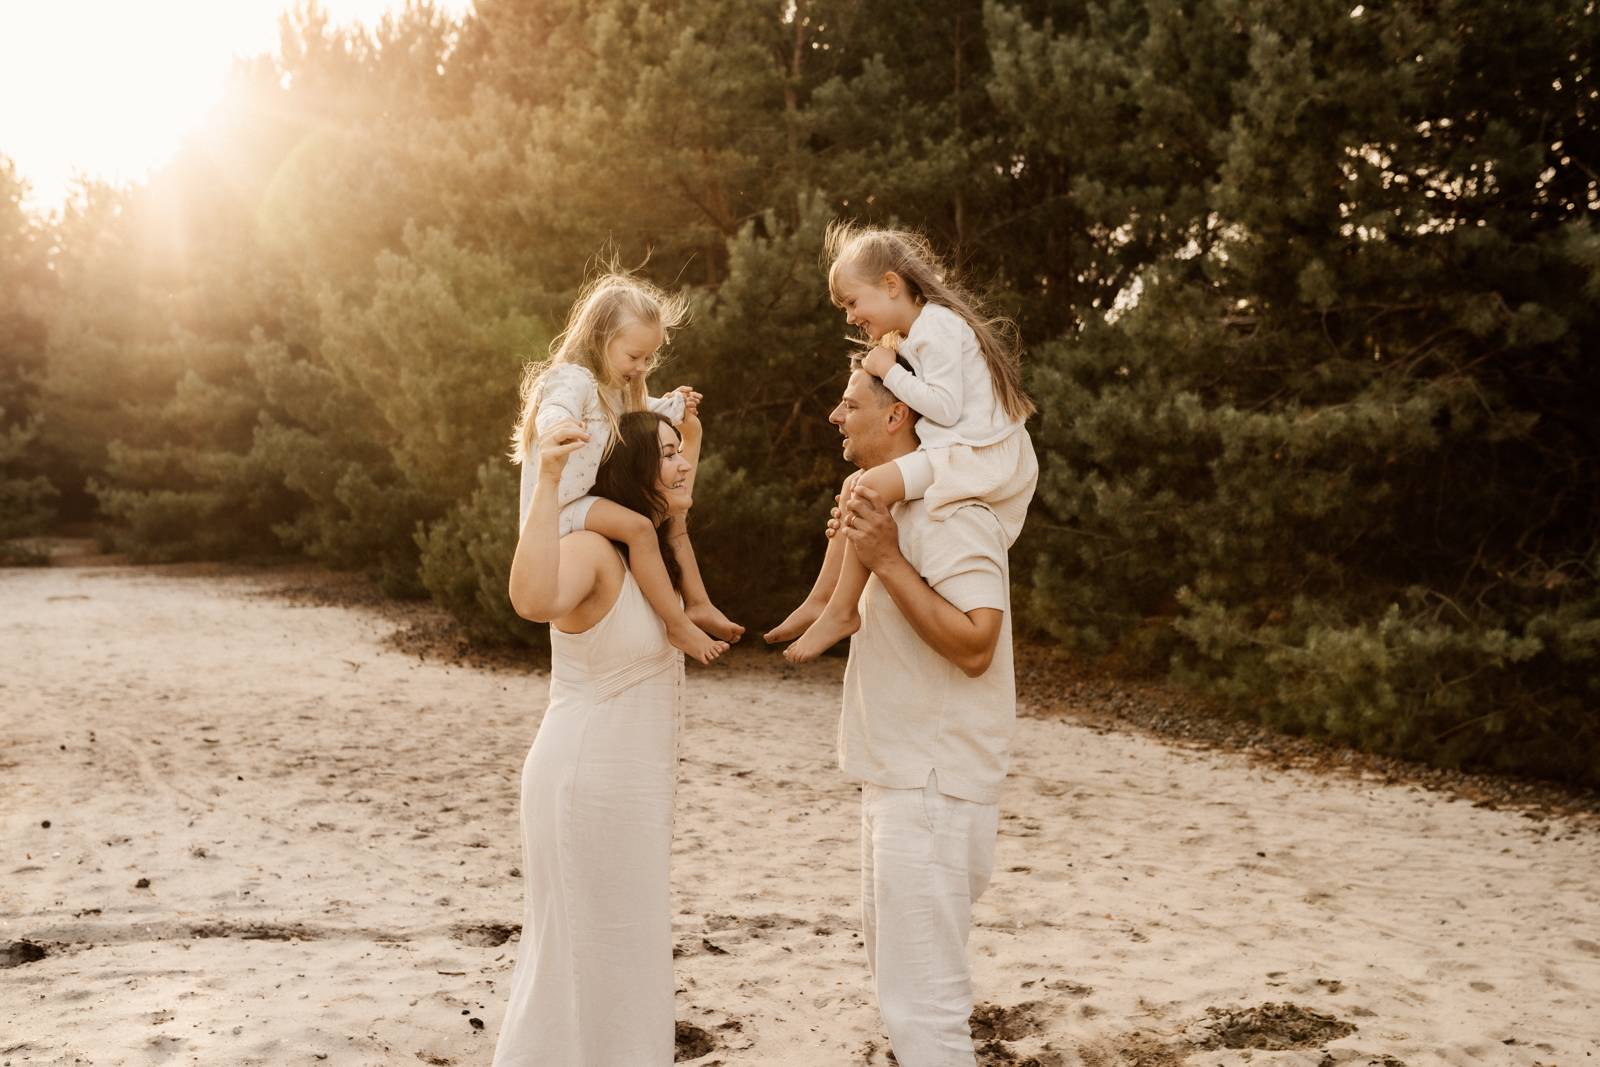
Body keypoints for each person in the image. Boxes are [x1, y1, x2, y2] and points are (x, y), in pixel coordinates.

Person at [823, 355, 1019, 1067]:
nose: (836, 416)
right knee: (902, 999)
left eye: (850, 404)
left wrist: (888, 560)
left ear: (897, 413)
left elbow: (977, 644)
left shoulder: (954, 513)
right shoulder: (894, 510)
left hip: (933, 790)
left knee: (927, 1012)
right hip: (896, 779)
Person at [494, 409, 704, 1066]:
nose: (683, 463)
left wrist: (687, 435)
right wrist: (547, 481)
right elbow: (531, 600)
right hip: (586, 783)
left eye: (681, 450)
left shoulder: (648, 554)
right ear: (634, 467)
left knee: (624, 953)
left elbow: (675, 502)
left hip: (627, 789)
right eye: (667, 453)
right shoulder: (592, 551)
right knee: (584, 955)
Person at [767, 222, 1037, 662]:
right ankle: (822, 599)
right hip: (953, 452)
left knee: (868, 486)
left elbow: (944, 408)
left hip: (975, 456)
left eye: (852, 302)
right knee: (854, 485)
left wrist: (888, 371)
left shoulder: (938, 326)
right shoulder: (919, 334)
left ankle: (841, 612)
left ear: (891, 285)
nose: (850, 317)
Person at [511, 271, 741, 665]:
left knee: (670, 517)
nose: (641, 366)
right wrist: (557, 426)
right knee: (638, 528)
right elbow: (556, 404)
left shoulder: (613, 389)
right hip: (560, 513)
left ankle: (699, 602)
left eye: (648, 358)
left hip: (585, 503)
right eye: (634, 356)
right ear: (600, 339)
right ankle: (677, 624)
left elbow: (637, 413)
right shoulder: (573, 378)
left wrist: (673, 406)